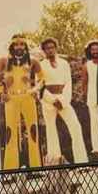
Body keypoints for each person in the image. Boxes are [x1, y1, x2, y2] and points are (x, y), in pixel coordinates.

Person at [38, 37, 88, 165]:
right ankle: (55, 161)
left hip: (63, 99)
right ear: (44, 50)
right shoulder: (40, 65)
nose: (50, 50)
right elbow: (39, 85)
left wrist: (63, 100)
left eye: (52, 47)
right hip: (48, 101)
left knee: (75, 126)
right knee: (51, 130)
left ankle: (81, 162)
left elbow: (68, 83)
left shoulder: (64, 63)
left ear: (56, 48)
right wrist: (52, 99)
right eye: (47, 48)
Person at [0, 35, 43, 169]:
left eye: (22, 44)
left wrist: (35, 89)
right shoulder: (3, 61)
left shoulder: (33, 61)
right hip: (11, 99)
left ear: (25, 46)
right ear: (11, 46)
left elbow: (42, 78)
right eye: (16, 44)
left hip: (28, 98)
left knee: (33, 131)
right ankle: (10, 169)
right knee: (10, 132)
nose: (19, 47)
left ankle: (36, 167)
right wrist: (1, 93)